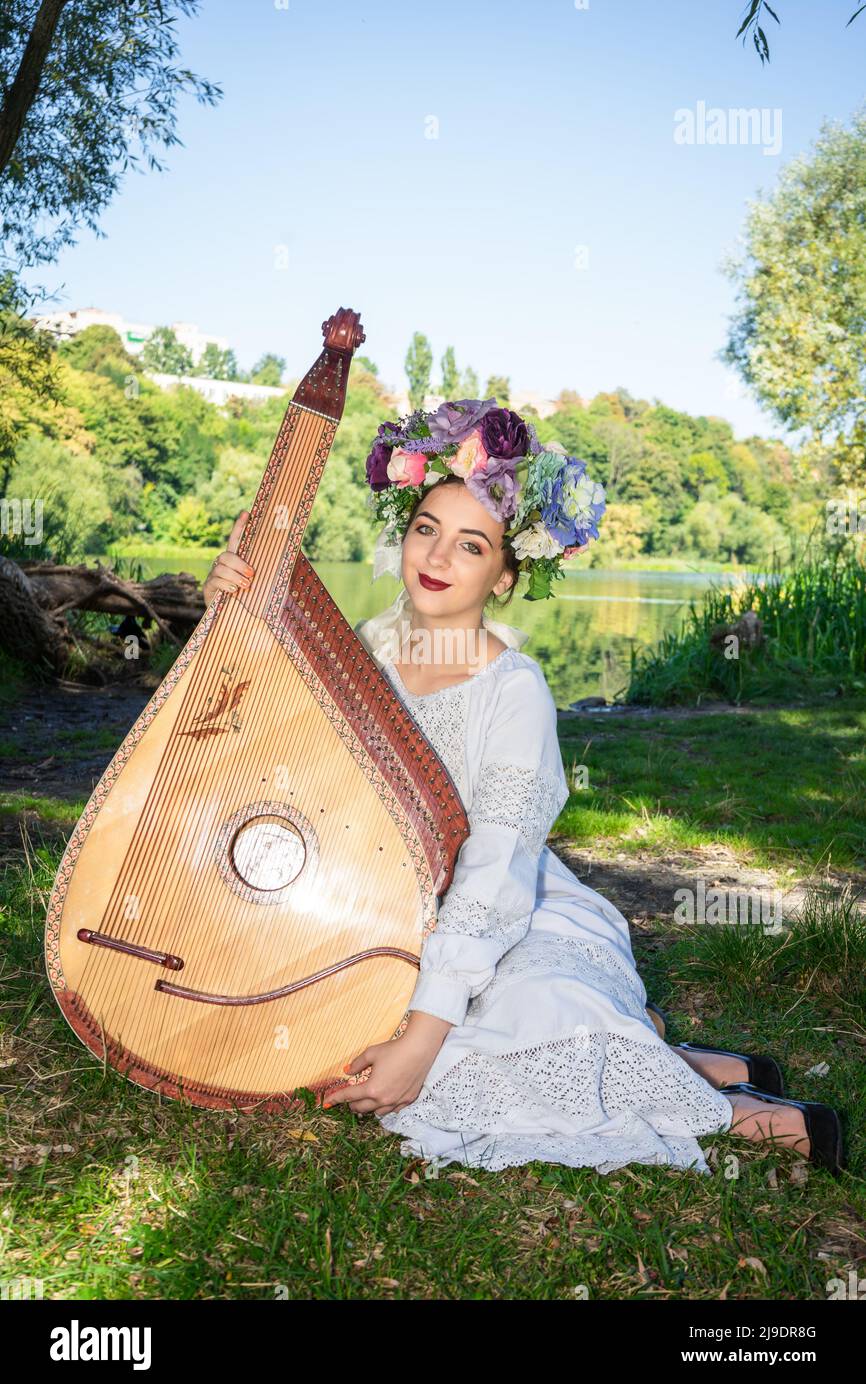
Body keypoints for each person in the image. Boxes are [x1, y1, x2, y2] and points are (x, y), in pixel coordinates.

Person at [203, 400, 844, 1177]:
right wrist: (228, 617)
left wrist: (423, 1035)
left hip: (504, 906)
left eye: (471, 545)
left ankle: (747, 1111)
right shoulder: (363, 651)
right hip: (369, 902)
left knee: (471, 1046)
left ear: (505, 574)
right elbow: (259, 743)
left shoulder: (516, 690)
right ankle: (681, 1055)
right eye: (425, 528)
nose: (437, 556)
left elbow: (497, 867)